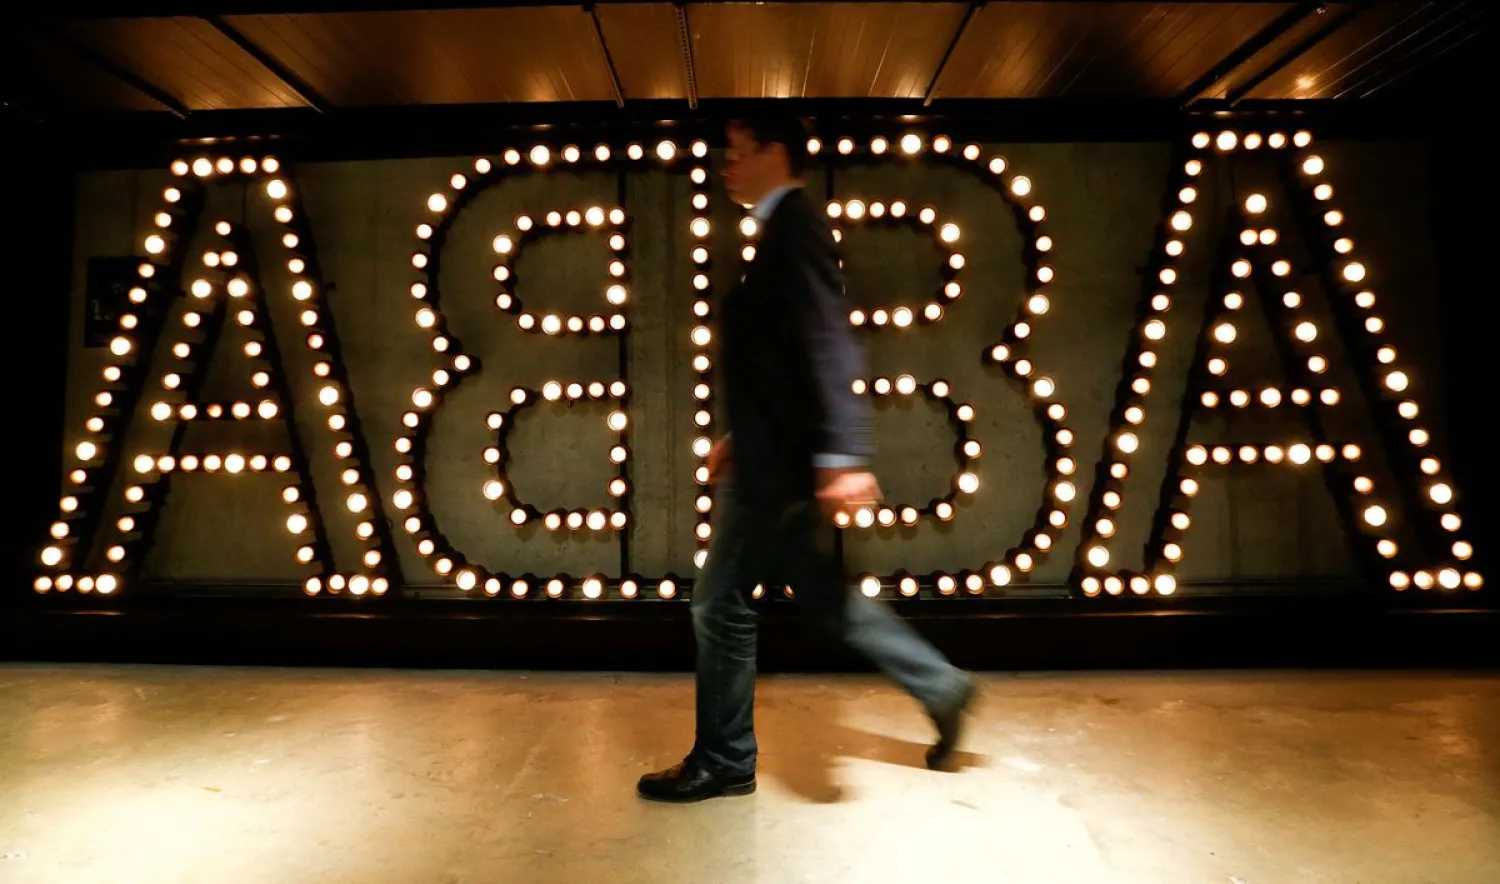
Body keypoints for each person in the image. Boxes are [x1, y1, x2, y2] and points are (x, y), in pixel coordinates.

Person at [637, 113, 976, 804]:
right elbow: (781, 355)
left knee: (718, 601)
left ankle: (725, 758)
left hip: (782, 470)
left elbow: (829, 340)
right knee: (824, 595)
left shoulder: (798, 227)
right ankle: (944, 686)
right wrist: (743, 433)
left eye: (738, 151)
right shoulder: (780, 231)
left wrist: (845, 451)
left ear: (777, 151)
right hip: (776, 456)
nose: (726, 165)